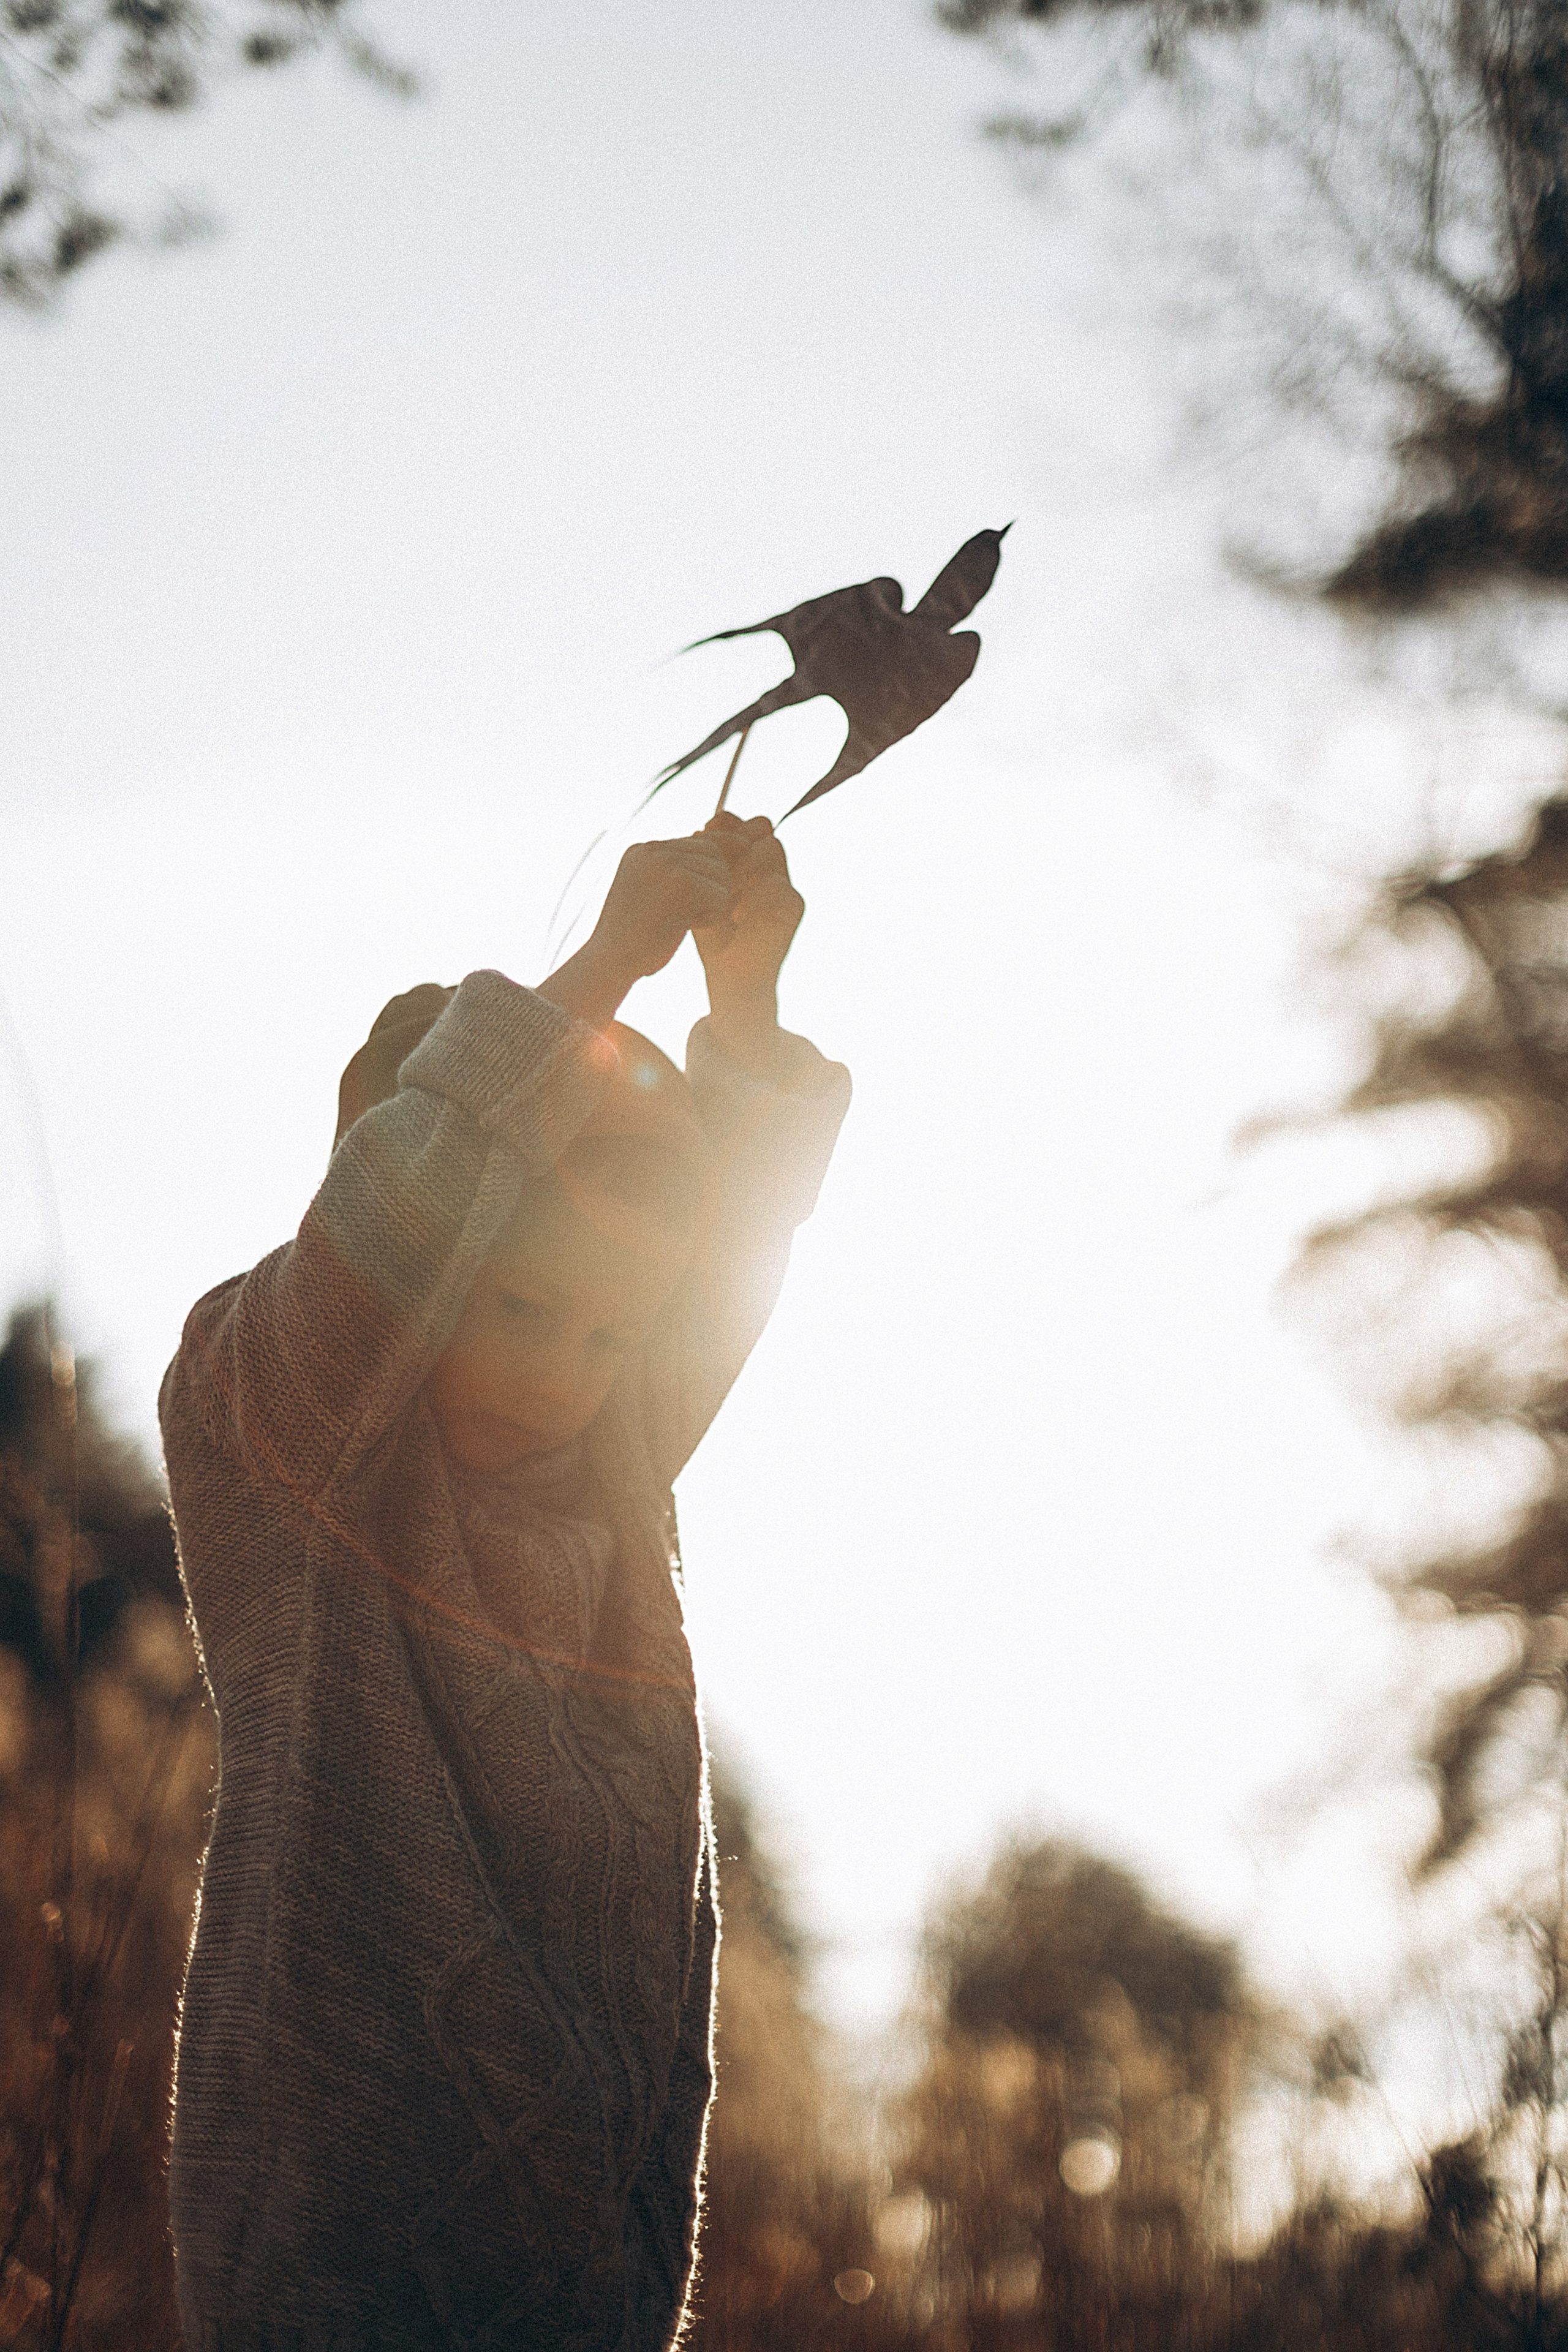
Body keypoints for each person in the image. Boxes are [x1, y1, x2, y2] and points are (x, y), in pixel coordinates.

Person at [159, 813, 850, 2352]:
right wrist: (600, 972)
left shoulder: (609, 1470)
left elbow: (725, 1245)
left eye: (612, 1333)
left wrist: (741, 1015)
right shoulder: (292, 1442)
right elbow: (394, 1214)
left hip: (581, 2269)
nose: (567, 1375)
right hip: (331, 2253)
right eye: (525, 1307)